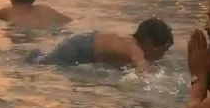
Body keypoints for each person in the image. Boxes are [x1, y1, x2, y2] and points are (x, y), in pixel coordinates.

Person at [29, 19, 173, 72]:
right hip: (76, 48)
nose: (162, 56)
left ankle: (36, 55)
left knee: (43, 61)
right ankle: (31, 56)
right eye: (162, 51)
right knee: (39, 65)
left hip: (82, 42)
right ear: (149, 43)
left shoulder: (129, 43)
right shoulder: (135, 49)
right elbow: (144, 72)